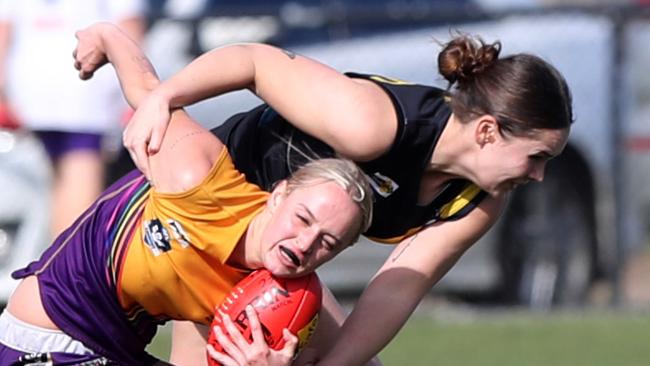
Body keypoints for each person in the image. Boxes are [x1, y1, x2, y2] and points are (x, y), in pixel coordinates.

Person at [98, 22, 572, 365]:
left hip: (279, 257)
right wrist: (165, 96)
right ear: (488, 131)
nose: (538, 176)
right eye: (537, 156)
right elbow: (255, 62)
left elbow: (399, 286)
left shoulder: (479, 201)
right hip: (210, 216)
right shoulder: (371, 125)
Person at [0, 24, 374, 366]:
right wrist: (107, 38)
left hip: (118, 350)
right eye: (303, 218)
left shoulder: (287, 291)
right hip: (48, 335)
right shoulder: (198, 180)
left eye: (327, 241)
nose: (306, 242)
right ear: (277, 196)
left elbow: (360, 358)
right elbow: (147, 92)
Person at [0, 0, 146, 237]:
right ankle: (62, 268)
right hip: (84, 92)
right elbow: (129, 26)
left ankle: (51, 264)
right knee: (76, 200)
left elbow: (4, 29)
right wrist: (140, 94)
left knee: (50, 194)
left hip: (31, 90)